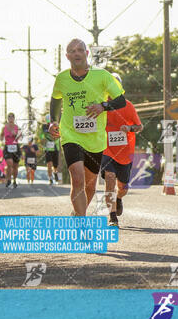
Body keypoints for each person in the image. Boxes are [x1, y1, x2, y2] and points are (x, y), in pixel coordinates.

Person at [48, 38, 125, 216]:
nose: (76, 53)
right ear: (67, 56)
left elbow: (120, 100)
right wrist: (53, 121)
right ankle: (82, 225)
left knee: (90, 186)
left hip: (95, 139)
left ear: (86, 53)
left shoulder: (102, 76)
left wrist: (102, 106)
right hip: (70, 134)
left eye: (80, 50)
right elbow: (55, 99)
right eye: (72, 51)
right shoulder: (62, 78)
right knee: (77, 178)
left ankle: (77, 213)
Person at [100, 73, 143, 227]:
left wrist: (129, 128)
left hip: (125, 153)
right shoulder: (101, 106)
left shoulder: (128, 106)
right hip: (106, 150)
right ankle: (112, 217)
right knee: (110, 177)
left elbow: (139, 126)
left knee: (123, 187)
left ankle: (118, 198)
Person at [0, 113, 22, 188]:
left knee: (15, 166)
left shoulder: (17, 127)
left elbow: (20, 138)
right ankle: (8, 179)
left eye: (12, 116)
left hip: (16, 147)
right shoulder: (4, 127)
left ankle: (14, 180)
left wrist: (15, 135)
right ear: (7, 118)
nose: (11, 118)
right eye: (9, 116)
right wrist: (1, 137)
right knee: (9, 163)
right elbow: (1, 136)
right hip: (8, 147)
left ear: (14, 118)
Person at [42, 114, 60, 185]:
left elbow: (59, 134)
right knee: (49, 164)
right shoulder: (44, 127)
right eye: (48, 121)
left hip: (55, 147)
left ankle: (55, 173)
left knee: (55, 165)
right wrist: (43, 139)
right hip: (48, 148)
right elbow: (42, 135)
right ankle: (50, 178)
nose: (49, 123)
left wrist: (55, 137)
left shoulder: (56, 126)